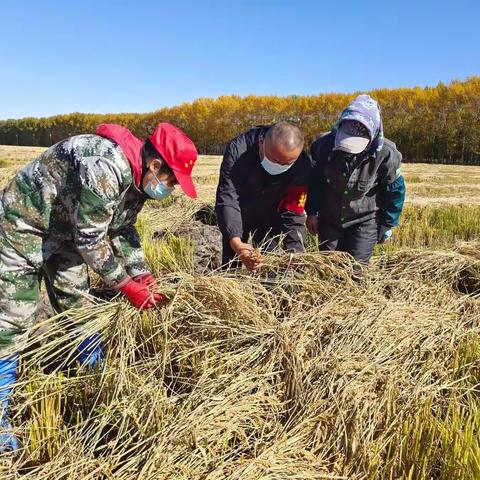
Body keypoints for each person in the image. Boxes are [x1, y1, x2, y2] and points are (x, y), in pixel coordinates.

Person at [0, 122, 198, 451]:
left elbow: (122, 230)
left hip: (63, 231)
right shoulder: (107, 167)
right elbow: (91, 241)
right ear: (155, 165)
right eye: (172, 181)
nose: (172, 189)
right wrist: (126, 286)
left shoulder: (138, 182)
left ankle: (96, 374)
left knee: (78, 306)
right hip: (24, 222)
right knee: (14, 317)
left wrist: (142, 274)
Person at [306, 94, 406, 266]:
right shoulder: (322, 146)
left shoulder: (386, 154)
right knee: (328, 267)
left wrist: (388, 223)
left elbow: (394, 191)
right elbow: (316, 182)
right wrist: (312, 212)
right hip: (329, 217)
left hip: (364, 220)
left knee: (356, 270)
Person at [216, 122, 312, 270]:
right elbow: (228, 196)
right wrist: (236, 241)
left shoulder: (302, 165)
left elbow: (294, 210)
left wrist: (295, 251)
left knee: (269, 265)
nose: (279, 166)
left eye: (287, 163)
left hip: (270, 216)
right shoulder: (239, 150)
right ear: (262, 142)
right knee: (231, 263)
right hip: (239, 212)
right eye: (274, 160)